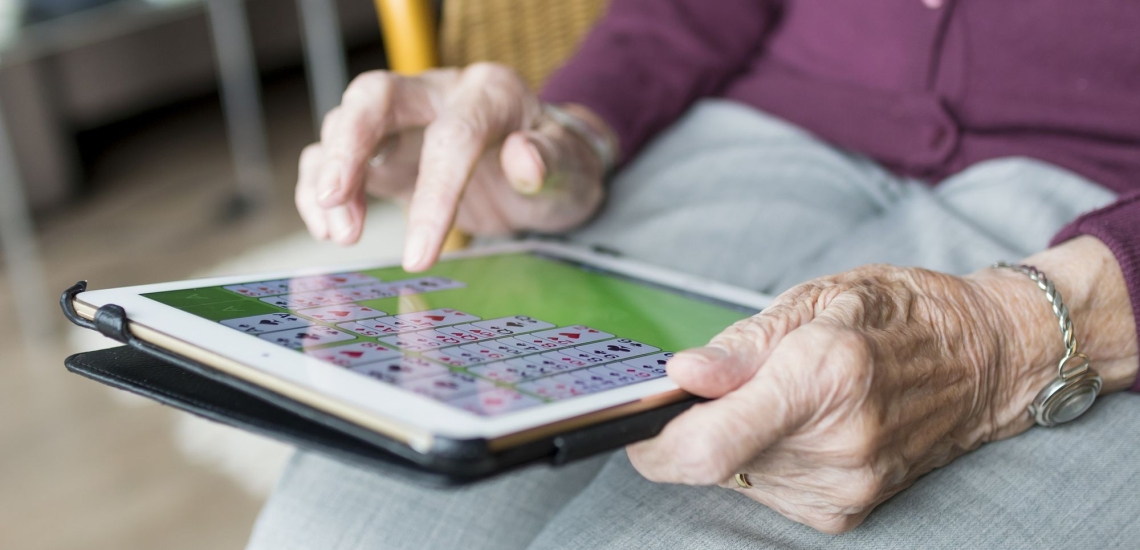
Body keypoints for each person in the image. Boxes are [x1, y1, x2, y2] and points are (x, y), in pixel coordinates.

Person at [252, 1, 1140, 547]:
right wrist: (566, 144)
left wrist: (1010, 339)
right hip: (755, 127)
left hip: (1097, 214)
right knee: (335, 530)